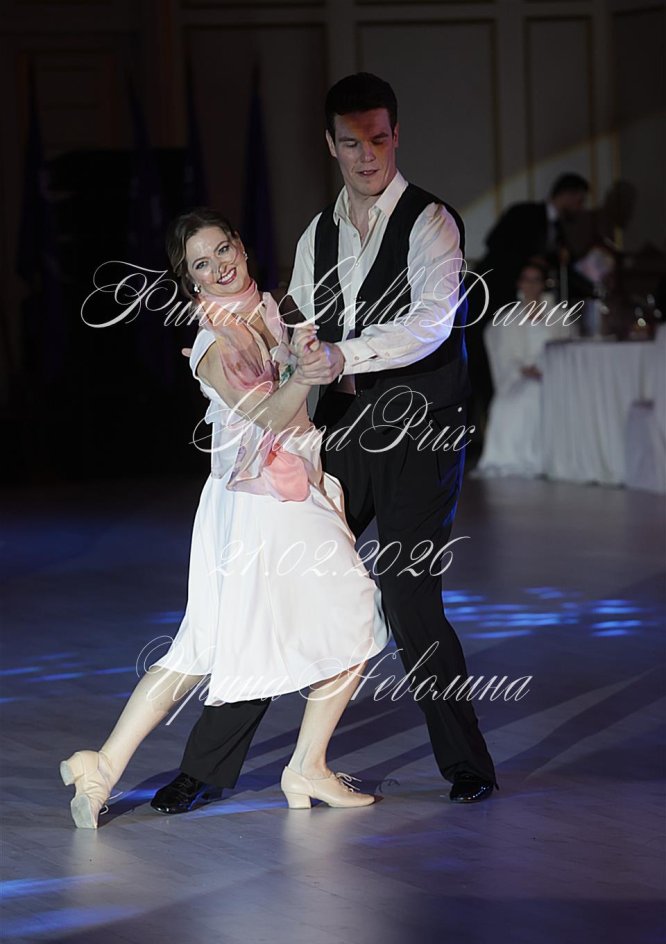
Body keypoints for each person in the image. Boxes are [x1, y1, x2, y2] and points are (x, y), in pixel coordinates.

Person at [153, 73, 497, 815]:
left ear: (396, 136)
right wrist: (277, 362)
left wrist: (341, 356)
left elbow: (432, 322)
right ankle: (205, 769)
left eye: (379, 138)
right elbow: (302, 326)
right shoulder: (318, 233)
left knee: (407, 594)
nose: (367, 154)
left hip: (422, 430)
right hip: (344, 428)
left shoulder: (432, 221)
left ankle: (467, 764)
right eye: (352, 142)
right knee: (278, 580)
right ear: (331, 145)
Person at [59, 207, 389, 828]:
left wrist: (305, 355)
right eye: (201, 265)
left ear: (240, 245)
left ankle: (102, 765)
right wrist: (307, 371)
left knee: (200, 644)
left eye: (223, 251)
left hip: (261, 495)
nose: (218, 268)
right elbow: (269, 416)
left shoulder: (270, 311)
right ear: (190, 280)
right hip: (265, 499)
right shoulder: (214, 344)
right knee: (358, 609)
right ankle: (308, 766)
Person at [468, 173, 590, 427]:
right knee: (481, 362)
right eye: (579, 200)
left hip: (520, 303)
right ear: (567, 195)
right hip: (491, 297)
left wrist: (592, 289)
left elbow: (565, 270)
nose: (580, 208)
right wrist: (530, 262)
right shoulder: (525, 213)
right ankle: (485, 425)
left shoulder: (558, 232)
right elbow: (495, 242)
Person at [475, 259, 569, 477]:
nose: (531, 285)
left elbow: (566, 348)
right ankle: (512, 457)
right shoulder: (508, 319)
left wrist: (548, 369)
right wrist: (522, 370)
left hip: (553, 373)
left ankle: (539, 457)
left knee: (534, 394)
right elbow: (504, 354)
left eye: (536, 280)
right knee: (515, 401)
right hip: (520, 375)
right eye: (527, 280)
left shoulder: (559, 317)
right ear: (519, 284)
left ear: (543, 284)